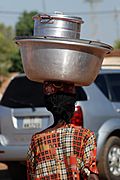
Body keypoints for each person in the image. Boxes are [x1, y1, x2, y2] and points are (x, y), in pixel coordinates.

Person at [27, 81, 99, 180]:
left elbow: (31, 175)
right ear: (72, 107)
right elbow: (91, 175)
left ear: (50, 108)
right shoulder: (85, 136)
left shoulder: (37, 140)